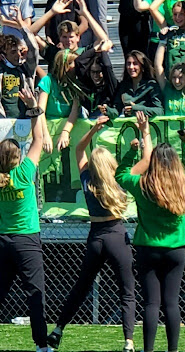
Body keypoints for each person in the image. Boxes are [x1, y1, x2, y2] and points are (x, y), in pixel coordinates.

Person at [47, 115, 136, 352]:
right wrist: (139, 143)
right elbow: (142, 162)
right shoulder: (118, 179)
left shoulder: (87, 178)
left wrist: (94, 128)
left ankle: (58, 329)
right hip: (116, 234)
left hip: (95, 237)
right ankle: (128, 341)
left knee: (81, 286)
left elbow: (78, 149)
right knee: (127, 291)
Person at [115, 115, 185, 352]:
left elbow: (120, 176)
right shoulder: (184, 183)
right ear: (174, 163)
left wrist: (132, 153)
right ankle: (172, 349)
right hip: (176, 250)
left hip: (147, 248)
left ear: (153, 162)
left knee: (151, 303)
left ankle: (149, 349)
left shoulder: (142, 185)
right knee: (172, 303)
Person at [0, 88, 51, 352]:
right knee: (35, 294)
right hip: (27, 240)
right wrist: (33, 108)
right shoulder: (24, 172)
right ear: (17, 158)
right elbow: (39, 137)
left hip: (3, 240)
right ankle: (42, 345)